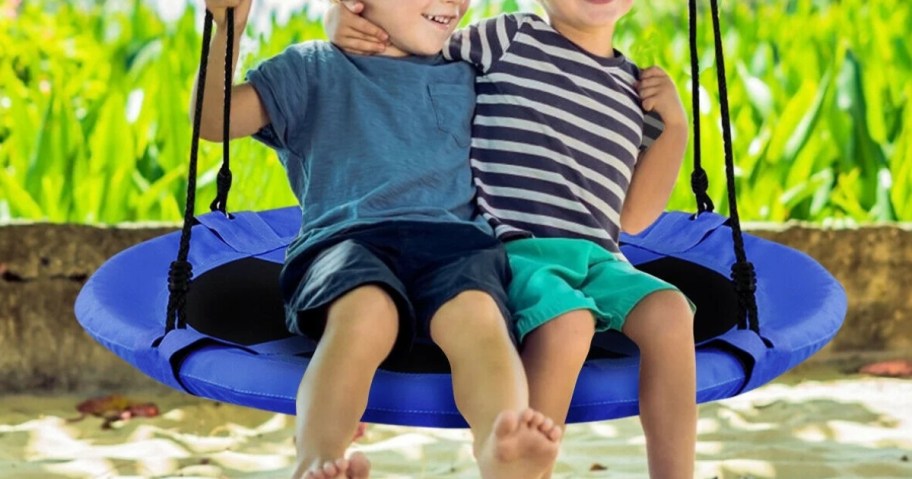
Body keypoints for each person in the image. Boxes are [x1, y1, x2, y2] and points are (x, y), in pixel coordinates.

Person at [192, 1, 564, 478]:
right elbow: (213, 122)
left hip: (455, 244)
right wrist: (229, 26)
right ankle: (319, 459)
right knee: (366, 312)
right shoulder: (312, 68)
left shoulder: (470, 68)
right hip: (346, 243)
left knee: (478, 318)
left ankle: (501, 446)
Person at [327, 1, 697, 477]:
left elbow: (635, 216)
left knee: (670, 312)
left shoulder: (635, 87)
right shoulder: (511, 37)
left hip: (600, 257)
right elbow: (415, 47)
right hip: (515, 248)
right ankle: (523, 469)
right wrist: (347, 25)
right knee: (569, 323)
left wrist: (676, 127)